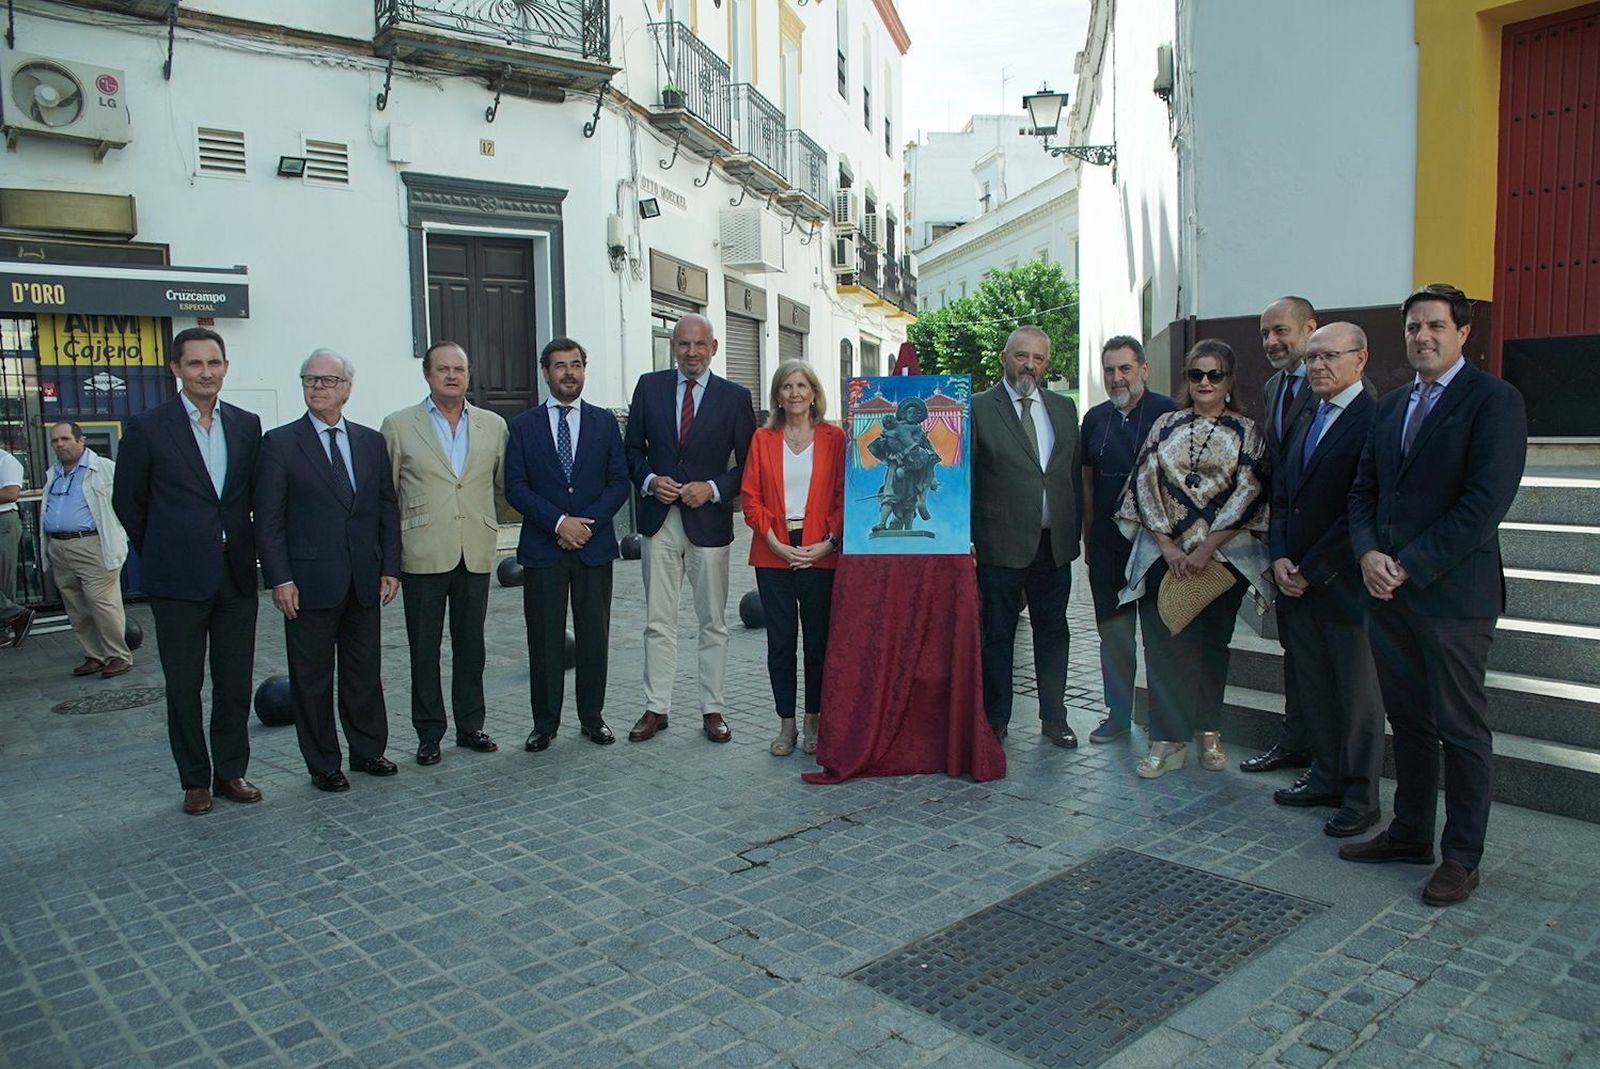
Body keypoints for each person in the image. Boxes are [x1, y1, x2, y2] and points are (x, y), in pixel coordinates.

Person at [1344, 283, 1527, 906]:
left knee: (1461, 727)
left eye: (1435, 327)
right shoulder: (1391, 406)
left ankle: (1462, 856)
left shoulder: (1494, 401)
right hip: (1388, 596)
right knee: (1411, 723)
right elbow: (1364, 490)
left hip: (1453, 599)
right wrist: (1368, 553)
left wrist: (1408, 565)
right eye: (1413, 327)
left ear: (1463, 333)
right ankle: (1410, 831)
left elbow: (1484, 505)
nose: (1422, 337)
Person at [113, 327, 264, 817]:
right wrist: (161, 547)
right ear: (176, 369)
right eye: (195, 364)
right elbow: (128, 502)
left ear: (225, 367)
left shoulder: (246, 424)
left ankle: (230, 771)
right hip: (177, 579)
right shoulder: (147, 427)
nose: (206, 373)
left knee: (235, 679)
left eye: (214, 363)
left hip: (235, 575)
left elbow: (249, 497)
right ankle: (195, 780)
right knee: (183, 683)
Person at [1115, 339, 1272, 778]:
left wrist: (1206, 548)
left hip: (1222, 563)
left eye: (1214, 374)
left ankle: (1208, 730)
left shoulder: (1247, 431)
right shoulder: (1164, 425)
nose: (1204, 382)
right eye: (1195, 374)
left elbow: (1250, 490)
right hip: (1165, 556)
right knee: (1165, 648)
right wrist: (1168, 545)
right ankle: (1167, 739)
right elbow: (1144, 482)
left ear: (1229, 380)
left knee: (1212, 648)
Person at [255, 350, 402, 793]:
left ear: (347, 389)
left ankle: (367, 750)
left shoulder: (369, 442)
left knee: (363, 672)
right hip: (307, 584)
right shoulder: (280, 444)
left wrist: (390, 566)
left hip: (362, 581)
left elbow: (385, 509)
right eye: (310, 379)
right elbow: (269, 520)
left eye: (327, 380)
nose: (318, 387)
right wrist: (280, 578)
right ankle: (323, 762)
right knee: (312, 679)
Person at [1268, 322, 1385, 837]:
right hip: (1294, 581)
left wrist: (1313, 569)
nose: (1316, 366)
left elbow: (1363, 507)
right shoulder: (1306, 413)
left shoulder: (1375, 418)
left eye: (1328, 357)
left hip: (1343, 586)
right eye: (1312, 358)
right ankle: (1325, 776)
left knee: (1356, 697)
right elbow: (1282, 495)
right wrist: (1277, 558)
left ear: (1360, 359)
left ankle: (1361, 797)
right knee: (1313, 687)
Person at [623, 314, 756, 744]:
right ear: (673, 347)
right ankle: (656, 707)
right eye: (683, 344)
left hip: (709, 523)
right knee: (658, 621)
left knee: (713, 621)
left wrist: (715, 488)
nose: (691, 353)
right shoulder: (649, 387)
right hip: (659, 522)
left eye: (700, 345)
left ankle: (712, 708)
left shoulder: (735, 397)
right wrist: (648, 481)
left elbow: (749, 464)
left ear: (714, 348)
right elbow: (631, 450)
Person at [380, 340, 508, 766]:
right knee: (425, 648)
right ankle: (429, 732)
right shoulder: (399, 425)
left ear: (469, 375)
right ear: (427, 374)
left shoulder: (493, 425)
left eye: (459, 369)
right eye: (442, 369)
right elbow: (387, 495)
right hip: (423, 552)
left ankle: (471, 725)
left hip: (474, 549)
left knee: (471, 646)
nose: (452, 376)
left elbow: (503, 485)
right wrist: (388, 561)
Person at [506, 337, 630, 753]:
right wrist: (559, 522)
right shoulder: (523, 426)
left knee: (594, 635)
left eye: (576, 364)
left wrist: (586, 526)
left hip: (593, 548)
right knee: (544, 638)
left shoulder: (604, 422)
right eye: (560, 366)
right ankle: (545, 723)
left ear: (583, 370)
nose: (569, 373)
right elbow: (515, 487)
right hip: (544, 548)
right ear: (546, 372)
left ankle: (593, 718)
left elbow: (618, 482)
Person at [971, 325, 1084, 745]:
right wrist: (966, 536)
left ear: (1046, 363)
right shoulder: (980, 407)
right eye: (1021, 356)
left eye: (1037, 358)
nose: (1029, 365)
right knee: (998, 635)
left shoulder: (1062, 408)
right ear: (1004, 357)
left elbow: (1070, 474)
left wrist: (1076, 533)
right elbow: (965, 477)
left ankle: (1054, 717)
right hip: (998, 546)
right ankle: (995, 719)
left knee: (1053, 632)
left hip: (1053, 546)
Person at [740, 360, 844, 756]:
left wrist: (829, 543)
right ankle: (786, 726)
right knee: (781, 643)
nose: (795, 393)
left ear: (814, 393)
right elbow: (750, 498)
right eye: (787, 386)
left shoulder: (835, 438)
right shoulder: (762, 439)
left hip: (821, 549)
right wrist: (776, 544)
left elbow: (842, 496)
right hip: (773, 552)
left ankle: (813, 721)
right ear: (777, 396)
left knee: (817, 642)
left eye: (802, 385)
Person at [1079, 336, 1175, 743]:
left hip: (1156, 549)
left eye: (1125, 369)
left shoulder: (1168, 413)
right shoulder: (1095, 418)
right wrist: (1088, 535)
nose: (1117, 378)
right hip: (1107, 547)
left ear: (1144, 370)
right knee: (1115, 636)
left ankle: (1162, 721)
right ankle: (1117, 716)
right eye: (1109, 370)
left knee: (1159, 637)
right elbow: (1086, 480)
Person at [1241, 295, 1321, 775]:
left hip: (1325, 556)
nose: (1271, 341)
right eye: (1265, 333)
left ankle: (1330, 760)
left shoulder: (1341, 386)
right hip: (1285, 547)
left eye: (1281, 331)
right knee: (1296, 656)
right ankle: (1296, 743)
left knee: (1328, 666)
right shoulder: (1273, 387)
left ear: (1310, 328)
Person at [40, 422, 132, 679]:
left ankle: (118, 656)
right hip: (59, 546)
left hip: (92, 544)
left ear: (81, 440)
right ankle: (94, 656)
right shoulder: (54, 473)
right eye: (55, 441)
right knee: (76, 607)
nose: (60, 444)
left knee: (103, 604)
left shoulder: (104, 469)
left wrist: (121, 534)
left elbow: (127, 502)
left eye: (65, 439)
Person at [0, 445, 33, 648]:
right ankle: (15, 615)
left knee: (4, 578)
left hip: (3, 520)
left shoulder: (6, 460)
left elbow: (12, 493)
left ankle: (5, 627)